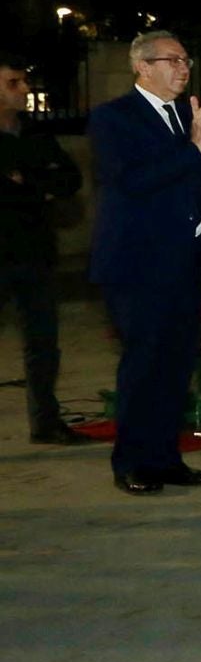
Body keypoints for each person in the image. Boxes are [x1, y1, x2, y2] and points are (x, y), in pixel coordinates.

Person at [89, 31, 201, 494]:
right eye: (172, 59)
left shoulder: (185, 117)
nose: (183, 68)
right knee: (144, 360)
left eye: (186, 59)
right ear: (142, 66)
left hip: (184, 260)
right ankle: (131, 461)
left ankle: (166, 457)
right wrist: (193, 146)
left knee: (177, 363)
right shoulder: (114, 119)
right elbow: (133, 181)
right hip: (137, 263)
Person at [0, 49, 87, 445]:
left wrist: (27, 182)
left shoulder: (34, 132)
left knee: (43, 343)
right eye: (12, 83)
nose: (23, 90)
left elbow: (68, 180)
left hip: (34, 252)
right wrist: (36, 188)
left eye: (22, 81)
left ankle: (46, 421)